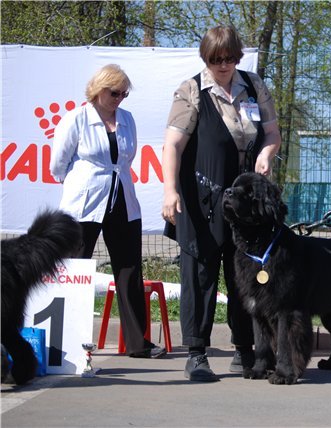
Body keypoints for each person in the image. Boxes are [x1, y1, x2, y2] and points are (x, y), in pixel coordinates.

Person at [161, 25, 282, 382]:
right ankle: (196, 353)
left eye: (229, 58)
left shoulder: (254, 85)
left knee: (245, 275)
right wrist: (170, 191)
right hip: (201, 199)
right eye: (216, 60)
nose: (224, 65)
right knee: (200, 274)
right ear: (206, 59)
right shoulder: (191, 91)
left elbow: (272, 133)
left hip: (246, 203)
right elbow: (172, 146)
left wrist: (267, 155)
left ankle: (246, 350)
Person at [50, 64, 166, 359]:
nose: (119, 99)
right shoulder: (76, 118)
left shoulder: (127, 120)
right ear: (99, 89)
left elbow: (128, 159)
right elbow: (57, 166)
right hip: (84, 205)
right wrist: (81, 184)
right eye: (114, 93)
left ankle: (138, 343)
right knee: (74, 269)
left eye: (124, 94)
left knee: (129, 271)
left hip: (123, 201)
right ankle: (65, 342)